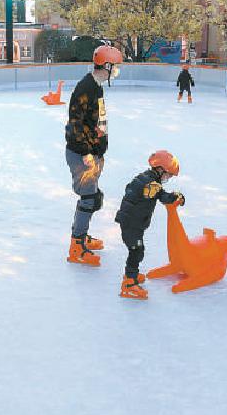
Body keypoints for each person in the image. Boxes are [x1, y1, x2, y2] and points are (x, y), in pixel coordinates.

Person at [65, 44, 123, 266]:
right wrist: (87, 152)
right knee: (88, 199)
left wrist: (100, 148)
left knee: (93, 197)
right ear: (106, 65)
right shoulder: (85, 88)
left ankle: (82, 235)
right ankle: (76, 246)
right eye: (115, 67)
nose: (116, 71)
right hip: (82, 154)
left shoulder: (97, 86)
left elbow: (98, 122)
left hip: (92, 152)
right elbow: (75, 123)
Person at [114, 150, 185, 299]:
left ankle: (131, 275)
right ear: (160, 169)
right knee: (137, 251)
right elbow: (164, 197)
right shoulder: (150, 185)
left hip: (133, 222)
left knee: (137, 250)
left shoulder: (146, 179)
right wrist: (176, 196)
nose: (168, 178)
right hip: (131, 224)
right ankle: (129, 284)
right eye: (168, 175)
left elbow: (133, 189)